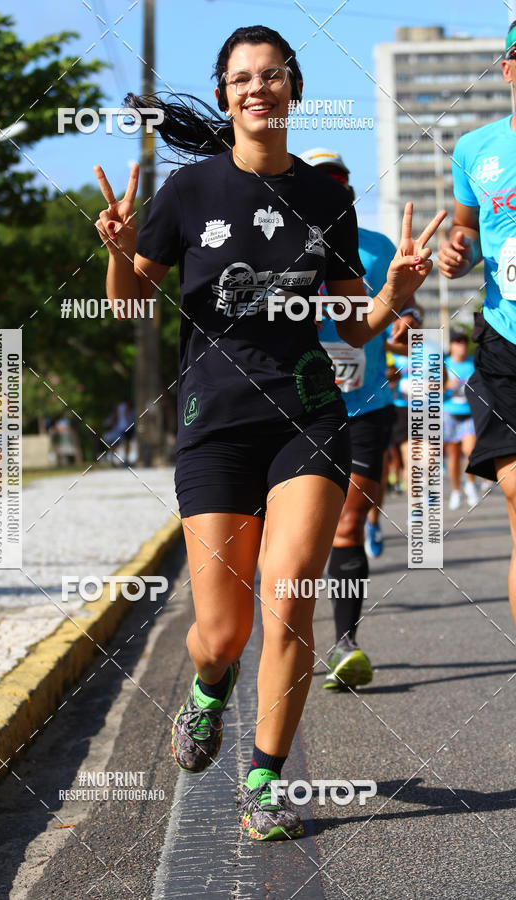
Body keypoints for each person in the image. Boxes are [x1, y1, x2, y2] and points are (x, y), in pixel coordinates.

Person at [94, 25, 444, 841]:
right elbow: (127, 304)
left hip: (307, 418)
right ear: (225, 94)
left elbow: (356, 329)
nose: (258, 88)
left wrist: (394, 291)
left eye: (272, 75)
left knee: (288, 601)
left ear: (292, 88)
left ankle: (262, 779)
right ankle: (209, 691)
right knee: (221, 633)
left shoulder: (327, 197)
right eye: (242, 78)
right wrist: (117, 252)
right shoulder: (186, 192)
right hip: (214, 427)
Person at [299, 147, 421, 690]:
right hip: (298, 407)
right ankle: (283, 641)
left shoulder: (377, 248)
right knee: (299, 537)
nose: (335, 189)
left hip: (366, 405)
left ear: (349, 189)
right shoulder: (283, 247)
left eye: (341, 180)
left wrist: (405, 324)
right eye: (322, 181)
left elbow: (405, 310)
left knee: (349, 522)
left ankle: (345, 642)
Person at [438, 19, 516, 629]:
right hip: (504, 338)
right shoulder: (476, 150)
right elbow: (464, 228)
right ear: (507, 67)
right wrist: (455, 250)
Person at [443, 329, 478, 510]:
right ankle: (456, 490)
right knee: (453, 455)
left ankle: (470, 483)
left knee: (470, 450)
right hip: (449, 413)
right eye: (457, 342)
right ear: (451, 346)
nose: (461, 345)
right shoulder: (444, 364)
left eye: (464, 342)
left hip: (469, 414)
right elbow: (431, 390)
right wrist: (445, 385)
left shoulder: (474, 364)